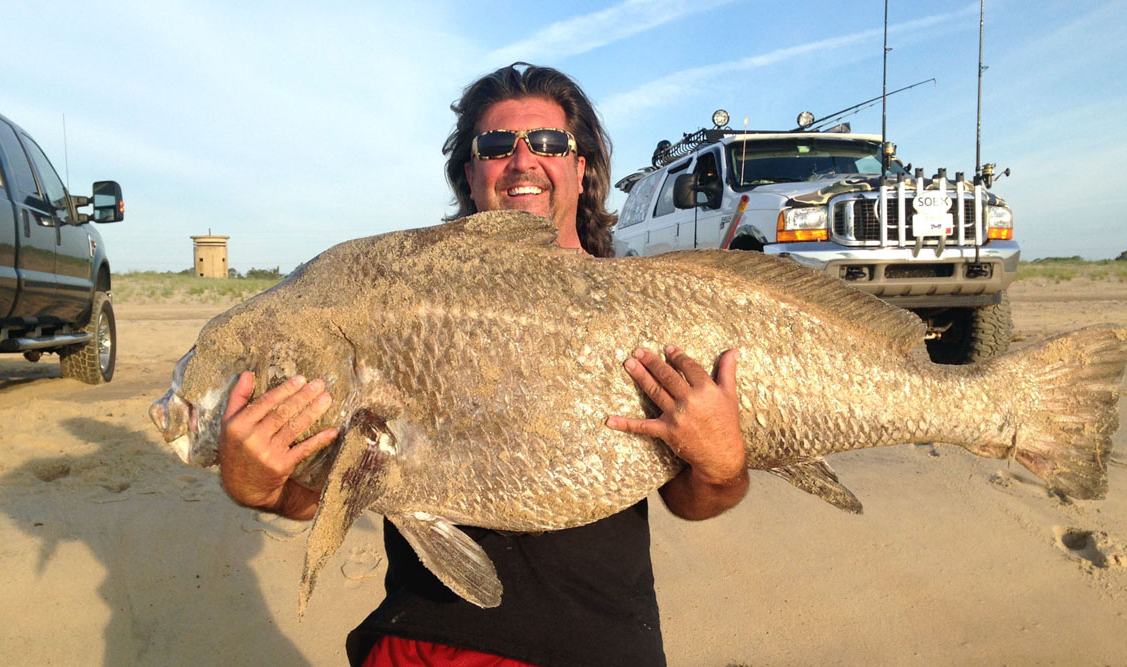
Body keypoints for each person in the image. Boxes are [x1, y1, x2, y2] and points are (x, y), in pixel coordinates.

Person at [217, 63, 748, 667]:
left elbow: (693, 500)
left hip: (597, 644)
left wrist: (724, 465)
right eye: (497, 147)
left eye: (549, 143)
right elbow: (326, 494)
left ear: (580, 168)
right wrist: (260, 487)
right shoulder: (396, 305)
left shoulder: (652, 314)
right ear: (471, 174)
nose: (523, 161)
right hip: (424, 640)